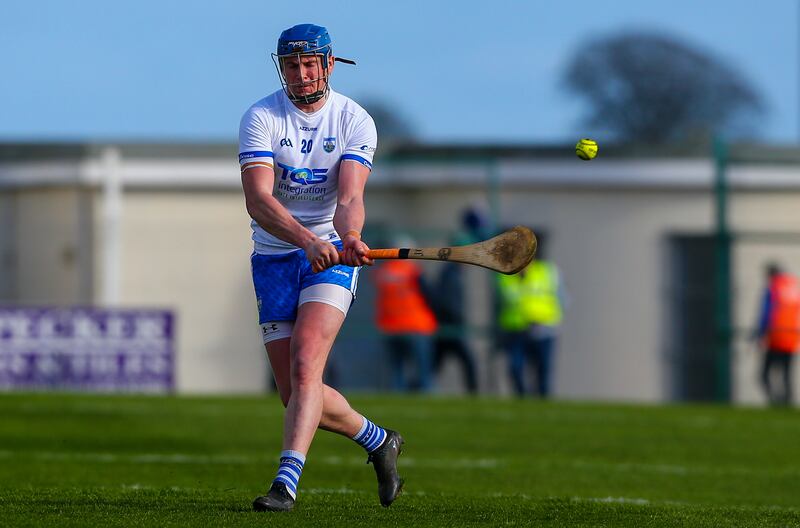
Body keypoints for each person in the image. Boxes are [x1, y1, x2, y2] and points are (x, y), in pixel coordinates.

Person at [239, 24, 403, 512]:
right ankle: (378, 440)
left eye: (311, 63)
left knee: (308, 363)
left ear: (329, 64)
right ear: (281, 67)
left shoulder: (355, 119)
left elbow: (350, 197)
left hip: (329, 256)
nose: (302, 73)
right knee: (294, 395)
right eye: (293, 64)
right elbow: (258, 200)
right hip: (275, 255)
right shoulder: (261, 117)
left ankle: (285, 484)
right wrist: (306, 240)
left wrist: (348, 237)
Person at [496, 236, 564, 397]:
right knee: (516, 368)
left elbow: (562, 298)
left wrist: (549, 320)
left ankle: (543, 405)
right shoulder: (506, 275)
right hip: (516, 330)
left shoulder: (547, 271)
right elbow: (506, 300)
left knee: (543, 371)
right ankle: (522, 400)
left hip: (544, 330)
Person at [430, 208, 484, 394]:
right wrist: (455, 321)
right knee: (466, 362)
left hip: (448, 325)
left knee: (434, 365)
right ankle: (473, 393)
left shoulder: (454, 274)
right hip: (450, 326)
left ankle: (419, 388)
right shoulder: (450, 275)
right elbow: (445, 301)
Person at [373, 247, 438, 392]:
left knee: (397, 370)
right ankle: (426, 395)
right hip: (416, 325)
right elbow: (429, 294)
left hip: (390, 326)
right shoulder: (412, 270)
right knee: (423, 371)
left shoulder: (383, 272)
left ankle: (397, 398)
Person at [755, 262, 800, 406]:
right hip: (792, 337)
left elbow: (766, 313)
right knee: (786, 373)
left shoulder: (774, 288)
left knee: (764, 373)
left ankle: (775, 401)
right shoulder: (794, 286)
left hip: (776, 336)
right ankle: (787, 401)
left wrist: (760, 334)